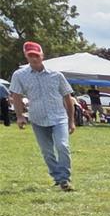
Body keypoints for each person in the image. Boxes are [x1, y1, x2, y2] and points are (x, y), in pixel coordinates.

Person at [9, 41, 76, 191]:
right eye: (31, 56)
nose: (34, 59)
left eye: (36, 55)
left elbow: (68, 97)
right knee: (47, 152)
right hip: (37, 118)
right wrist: (19, 116)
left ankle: (65, 178)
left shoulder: (56, 75)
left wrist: (71, 121)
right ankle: (58, 178)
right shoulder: (19, 75)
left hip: (58, 117)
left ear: (42, 55)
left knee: (62, 146)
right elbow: (16, 96)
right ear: (26, 56)